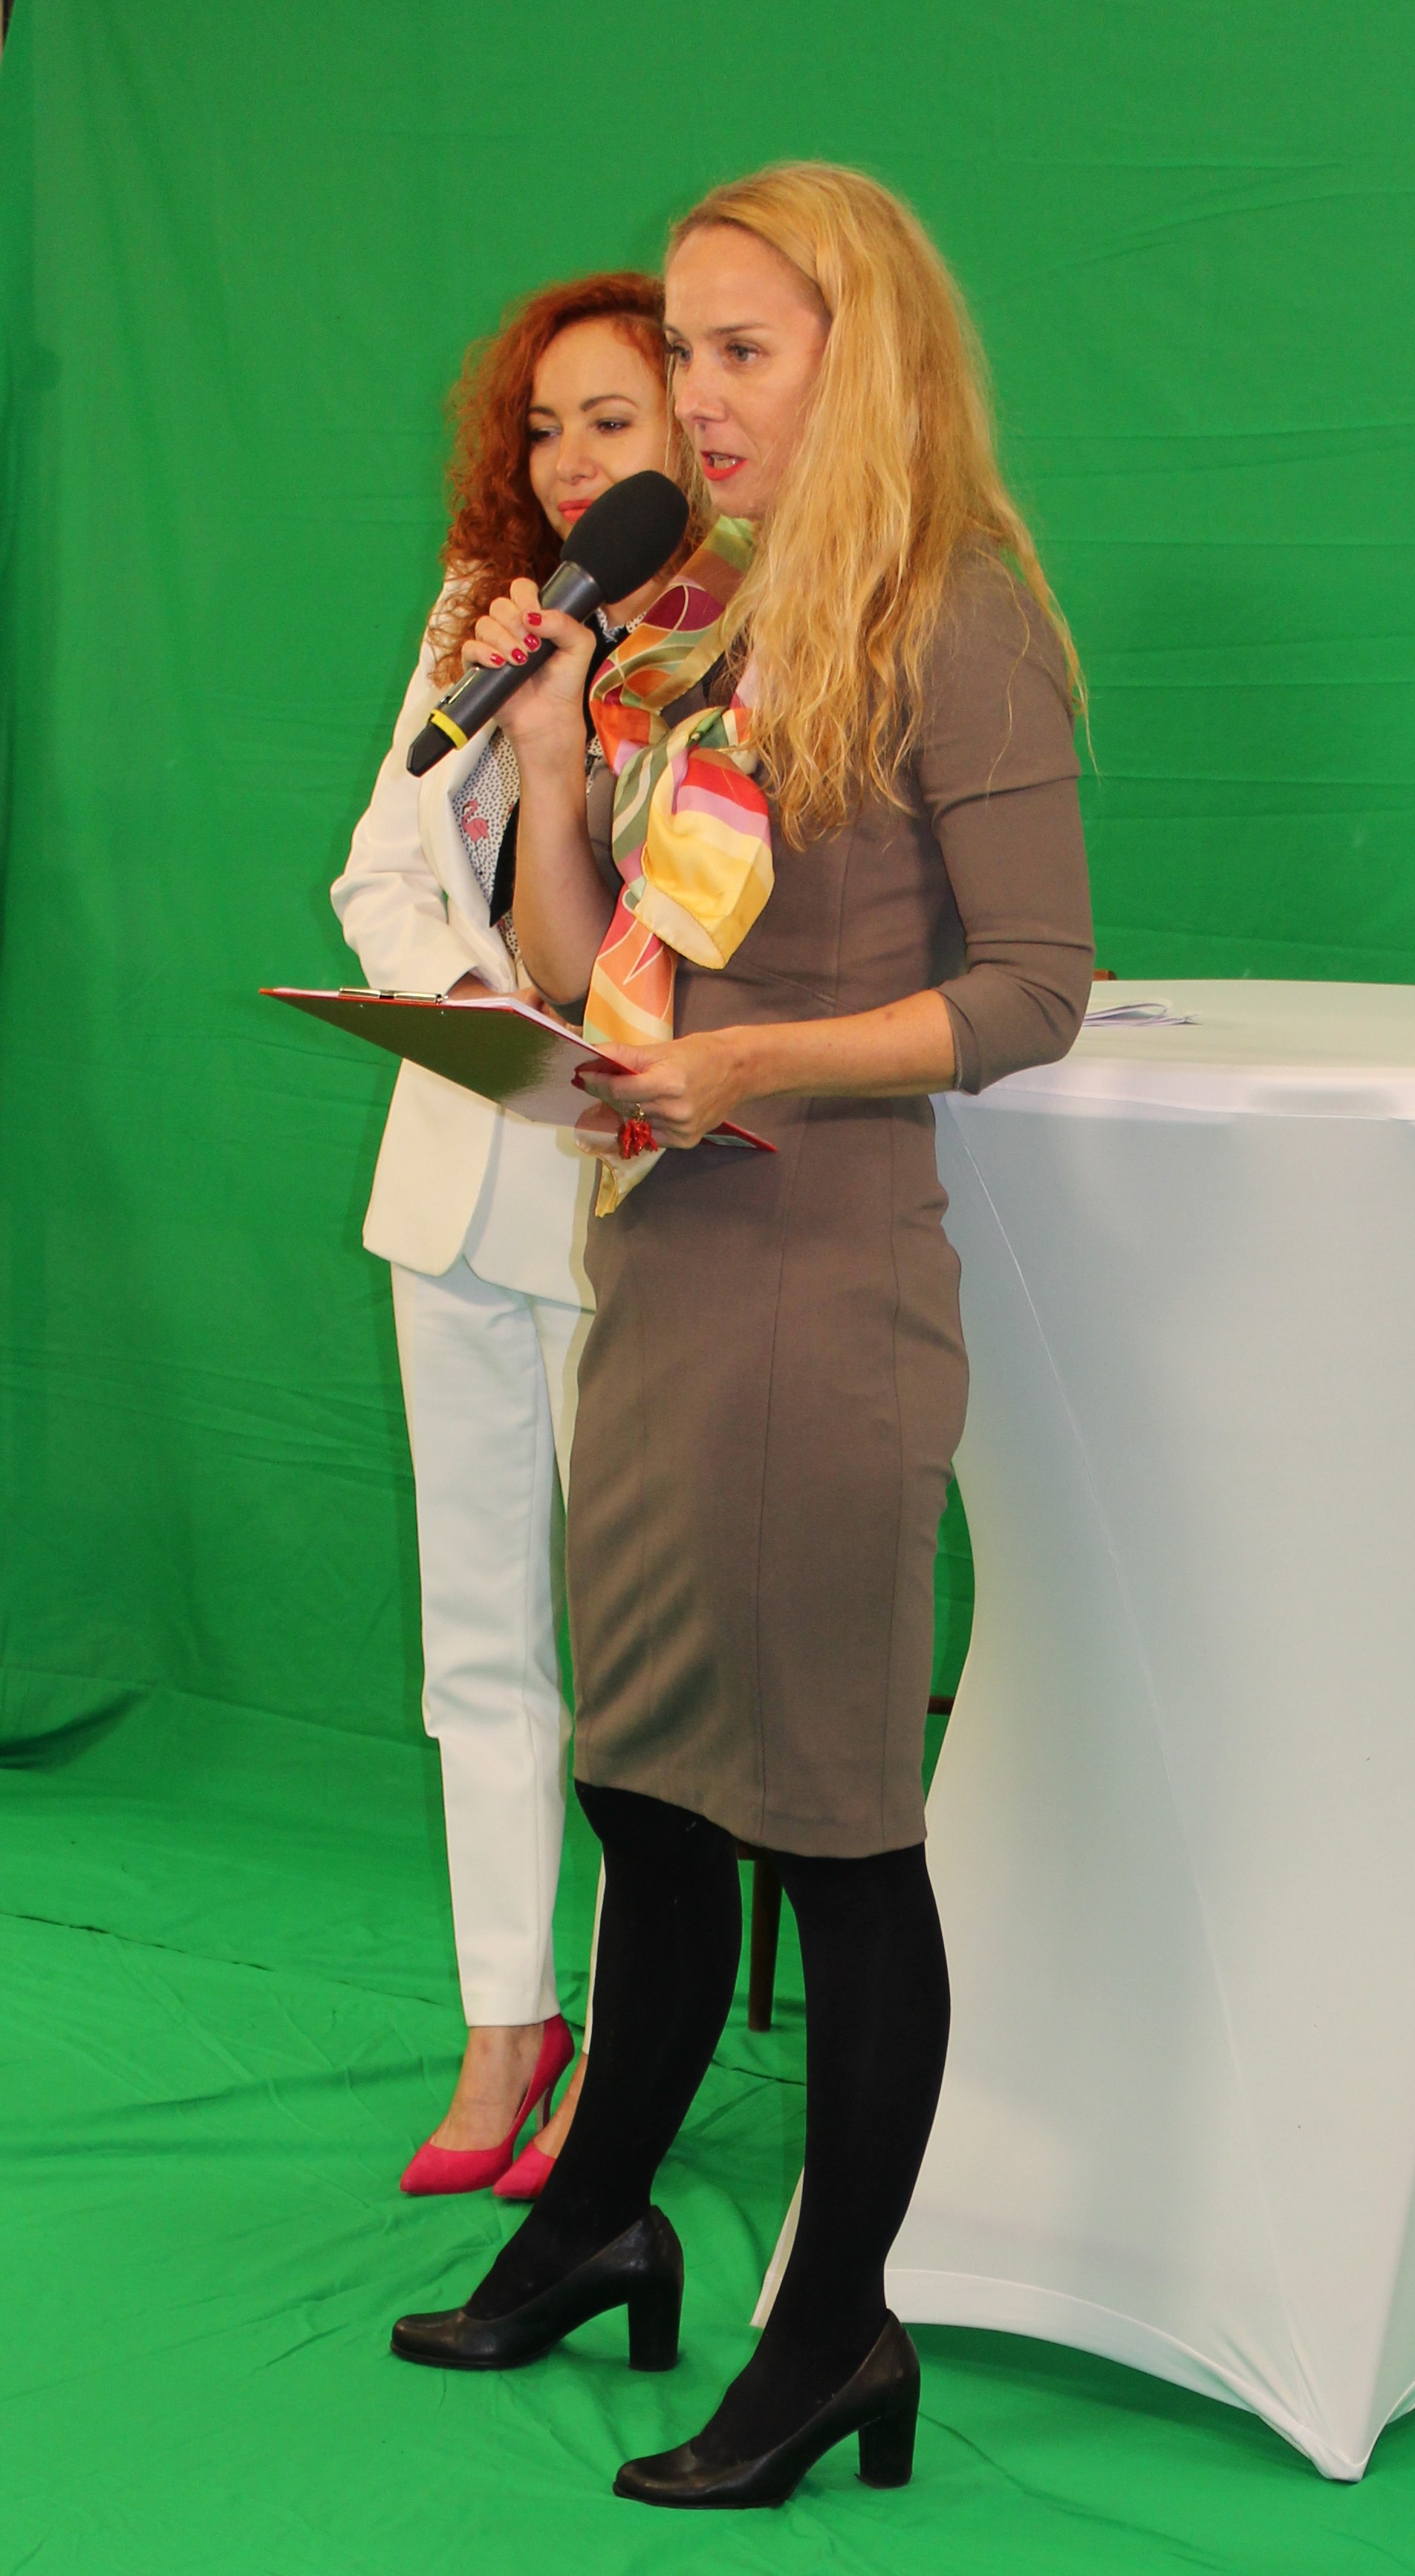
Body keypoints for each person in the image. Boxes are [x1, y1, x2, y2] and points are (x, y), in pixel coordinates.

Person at [389, 165, 1094, 2505]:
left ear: (859, 355)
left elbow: (1033, 988)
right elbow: (592, 966)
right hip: (668, 1261)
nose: (691, 401)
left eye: (737, 352)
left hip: (822, 1276)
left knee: (831, 1831)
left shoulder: (957, 613)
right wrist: (557, 755)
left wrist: (758, 1063)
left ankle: (834, 2335)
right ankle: (597, 2223)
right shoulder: (702, 617)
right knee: (645, 1787)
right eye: (679, 354)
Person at [331, 273, 695, 2196]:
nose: (568, 464)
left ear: (691, 439)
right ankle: (504, 2019)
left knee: (630, 1658)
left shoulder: (727, 635)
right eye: (545, 427)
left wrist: (572, 1028)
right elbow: (377, 865)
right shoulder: (482, 615)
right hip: (456, 1173)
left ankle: (628, 2047)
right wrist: (475, 1010)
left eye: (609, 425)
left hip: (630, 1195)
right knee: (478, 1634)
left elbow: (690, 924)